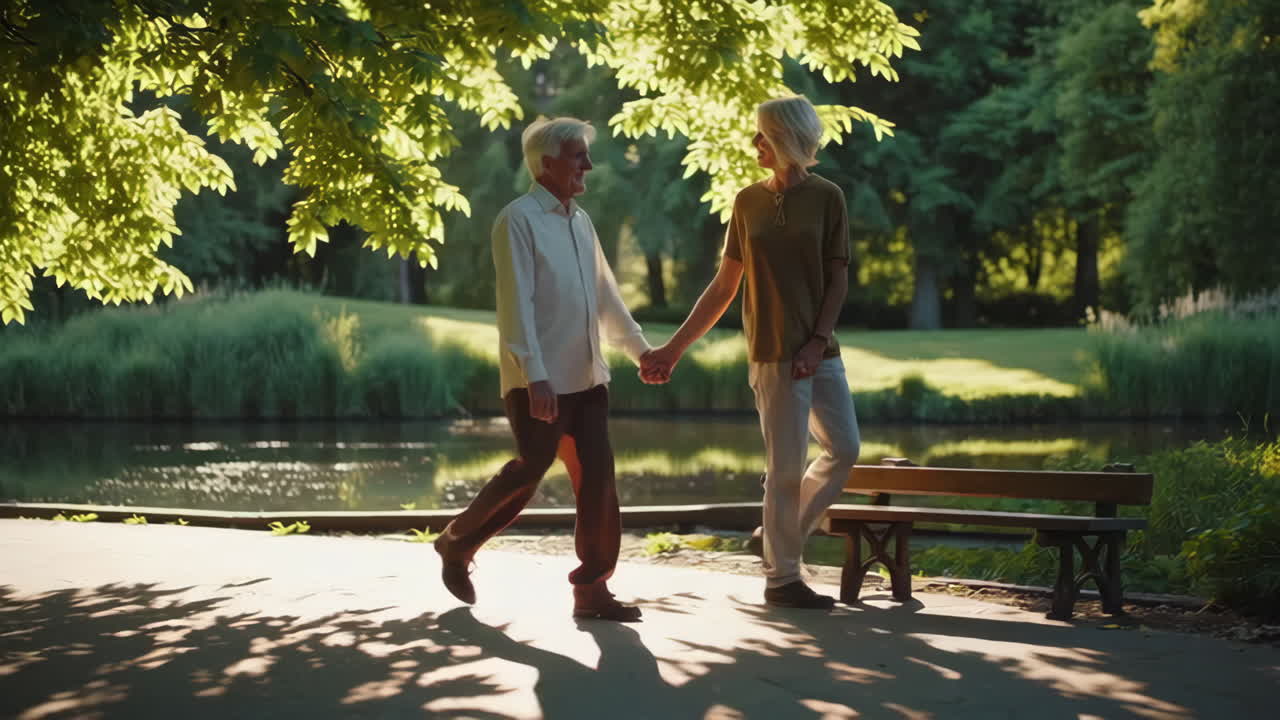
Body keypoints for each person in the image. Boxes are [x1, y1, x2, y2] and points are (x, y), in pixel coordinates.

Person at [434, 116, 661, 622]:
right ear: (547, 164)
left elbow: (605, 295)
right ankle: (456, 542)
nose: (589, 165)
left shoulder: (580, 221)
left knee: (599, 482)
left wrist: (640, 350)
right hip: (539, 381)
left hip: (588, 379)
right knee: (529, 472)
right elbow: (517, 303)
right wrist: (534, 373)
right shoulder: (516, 219)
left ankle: (593, 589)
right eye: (579, 155)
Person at [642, 96, 861, 609]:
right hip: (770, 353)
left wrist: (814, 341)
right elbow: (724, 286)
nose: (755, 143)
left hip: (820, 351)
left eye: (763, 135)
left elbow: (838, 278)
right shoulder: (747, 202)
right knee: (785, 467)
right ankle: (782, 578)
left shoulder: (829, 197)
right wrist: (673, 349)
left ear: (785, 138)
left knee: (844, 448)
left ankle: (776, 542)